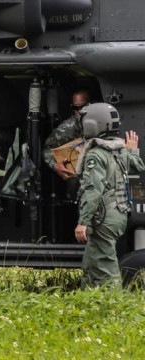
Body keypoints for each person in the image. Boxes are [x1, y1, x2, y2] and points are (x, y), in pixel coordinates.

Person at [74, 102, 145, 288]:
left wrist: (84, 221)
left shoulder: (96, 155)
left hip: (104, 217)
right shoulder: (119, 149)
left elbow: (93, 191)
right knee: (91, 261)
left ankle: (116, 303)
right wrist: (132, 150)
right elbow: (138, 165)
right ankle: (87, 297)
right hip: (118, 213)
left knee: (106, 264)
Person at [42, 89, 91, 188]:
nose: (80, 111)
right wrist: (55, 164)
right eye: (75, 108)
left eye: (83, 107)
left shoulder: (104, 121)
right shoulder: (68, 128)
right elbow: (47, 149)